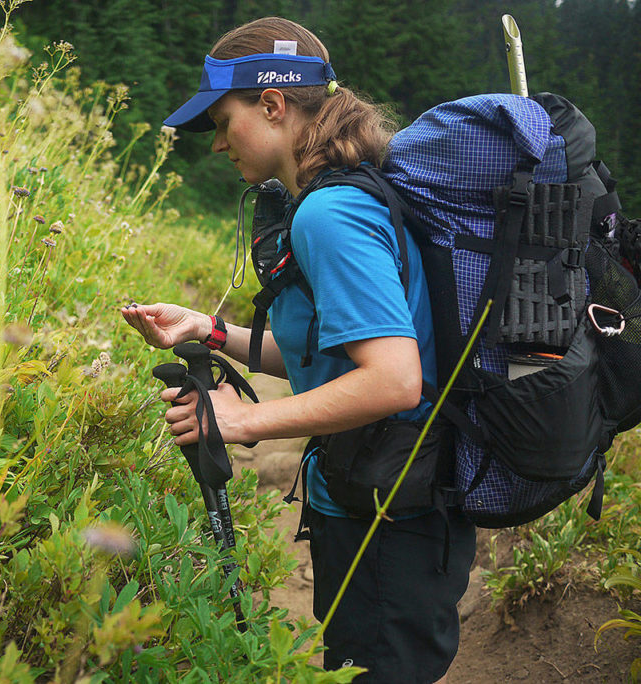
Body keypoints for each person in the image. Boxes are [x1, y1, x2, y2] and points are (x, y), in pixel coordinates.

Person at [120, 16, 476, 684]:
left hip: (388, 516)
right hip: (387, 499)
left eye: (224, 122)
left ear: (274, 105)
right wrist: (209, 329)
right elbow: (329, 353)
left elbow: (394, 381)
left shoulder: (327, 214)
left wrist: (241, 420)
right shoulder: (336, 195)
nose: (220, 143)